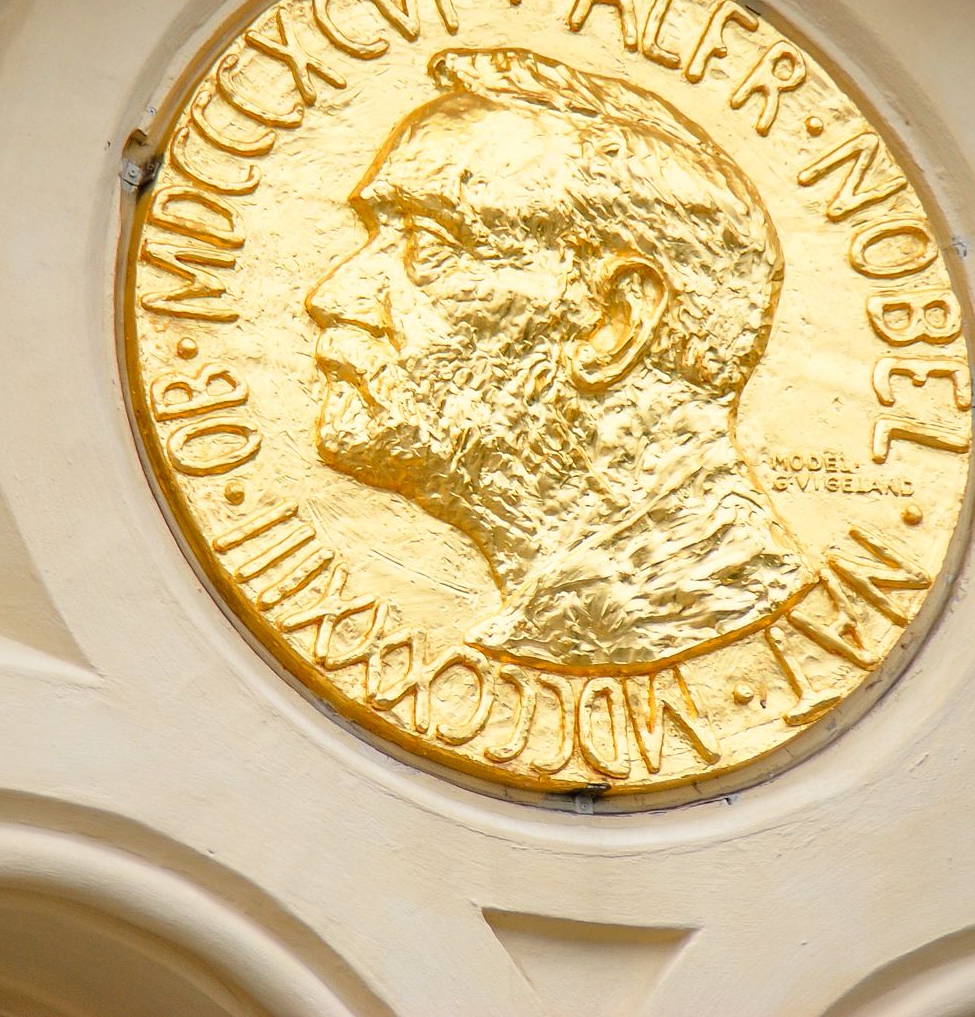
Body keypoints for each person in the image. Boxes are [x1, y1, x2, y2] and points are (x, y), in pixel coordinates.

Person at [306, 47, 814, 670]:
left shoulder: (662, 608)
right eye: (376, 237)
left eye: (428, 243)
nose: (329, 296)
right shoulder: (582, 615)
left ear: (616, 322)